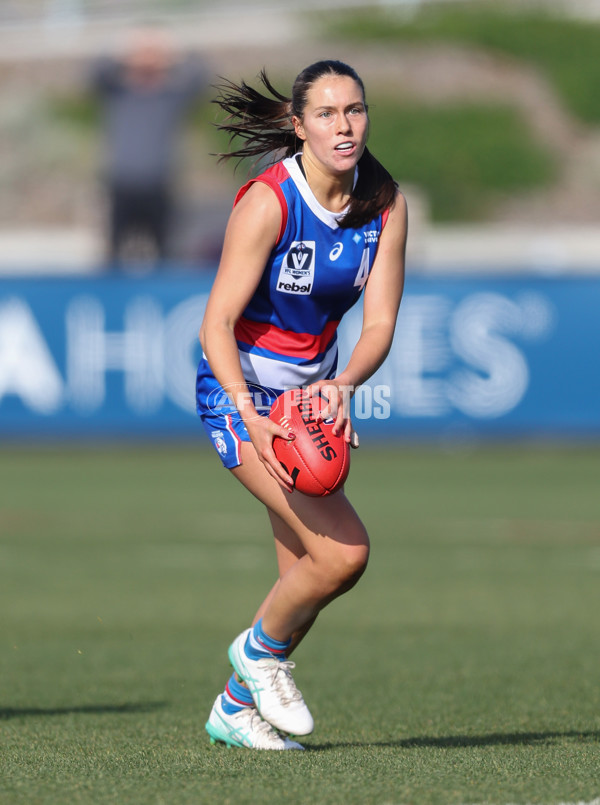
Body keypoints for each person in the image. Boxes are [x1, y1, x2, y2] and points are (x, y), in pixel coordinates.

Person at [196, 60, 407, 750]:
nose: (343, 126)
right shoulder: (269, 201)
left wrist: (343, 385)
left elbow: (378, 325)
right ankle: (255, 657)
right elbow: (215, 324)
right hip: (245, 393)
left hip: (312, 397)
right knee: (344, 555)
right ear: (298, 125)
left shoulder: (384, 201)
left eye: (355, 110)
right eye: (325, 113)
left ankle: (233, 706)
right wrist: (248, 413)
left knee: (304, 580)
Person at [90, 26, 208, 269]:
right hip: (121, 184)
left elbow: (200, 75)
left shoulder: (170, 96)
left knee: (166, 252)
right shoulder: (118, 93)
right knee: (113, 256)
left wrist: (170, 52)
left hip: (159, 184)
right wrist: (126, 50)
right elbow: (95, 73)